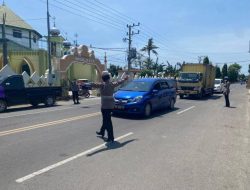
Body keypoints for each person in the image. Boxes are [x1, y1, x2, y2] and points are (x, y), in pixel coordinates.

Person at [91, 71, 129, 142]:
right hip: (111, 105)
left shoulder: (102, 85)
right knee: (106, 120)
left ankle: (111, 137)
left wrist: (84, 84)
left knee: (107, 121)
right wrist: (125, 79)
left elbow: (94, 84)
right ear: (108, 78)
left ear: (103, 78)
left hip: (105, 106)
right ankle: (102, 132)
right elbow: (119, 82)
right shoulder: (112, 84)